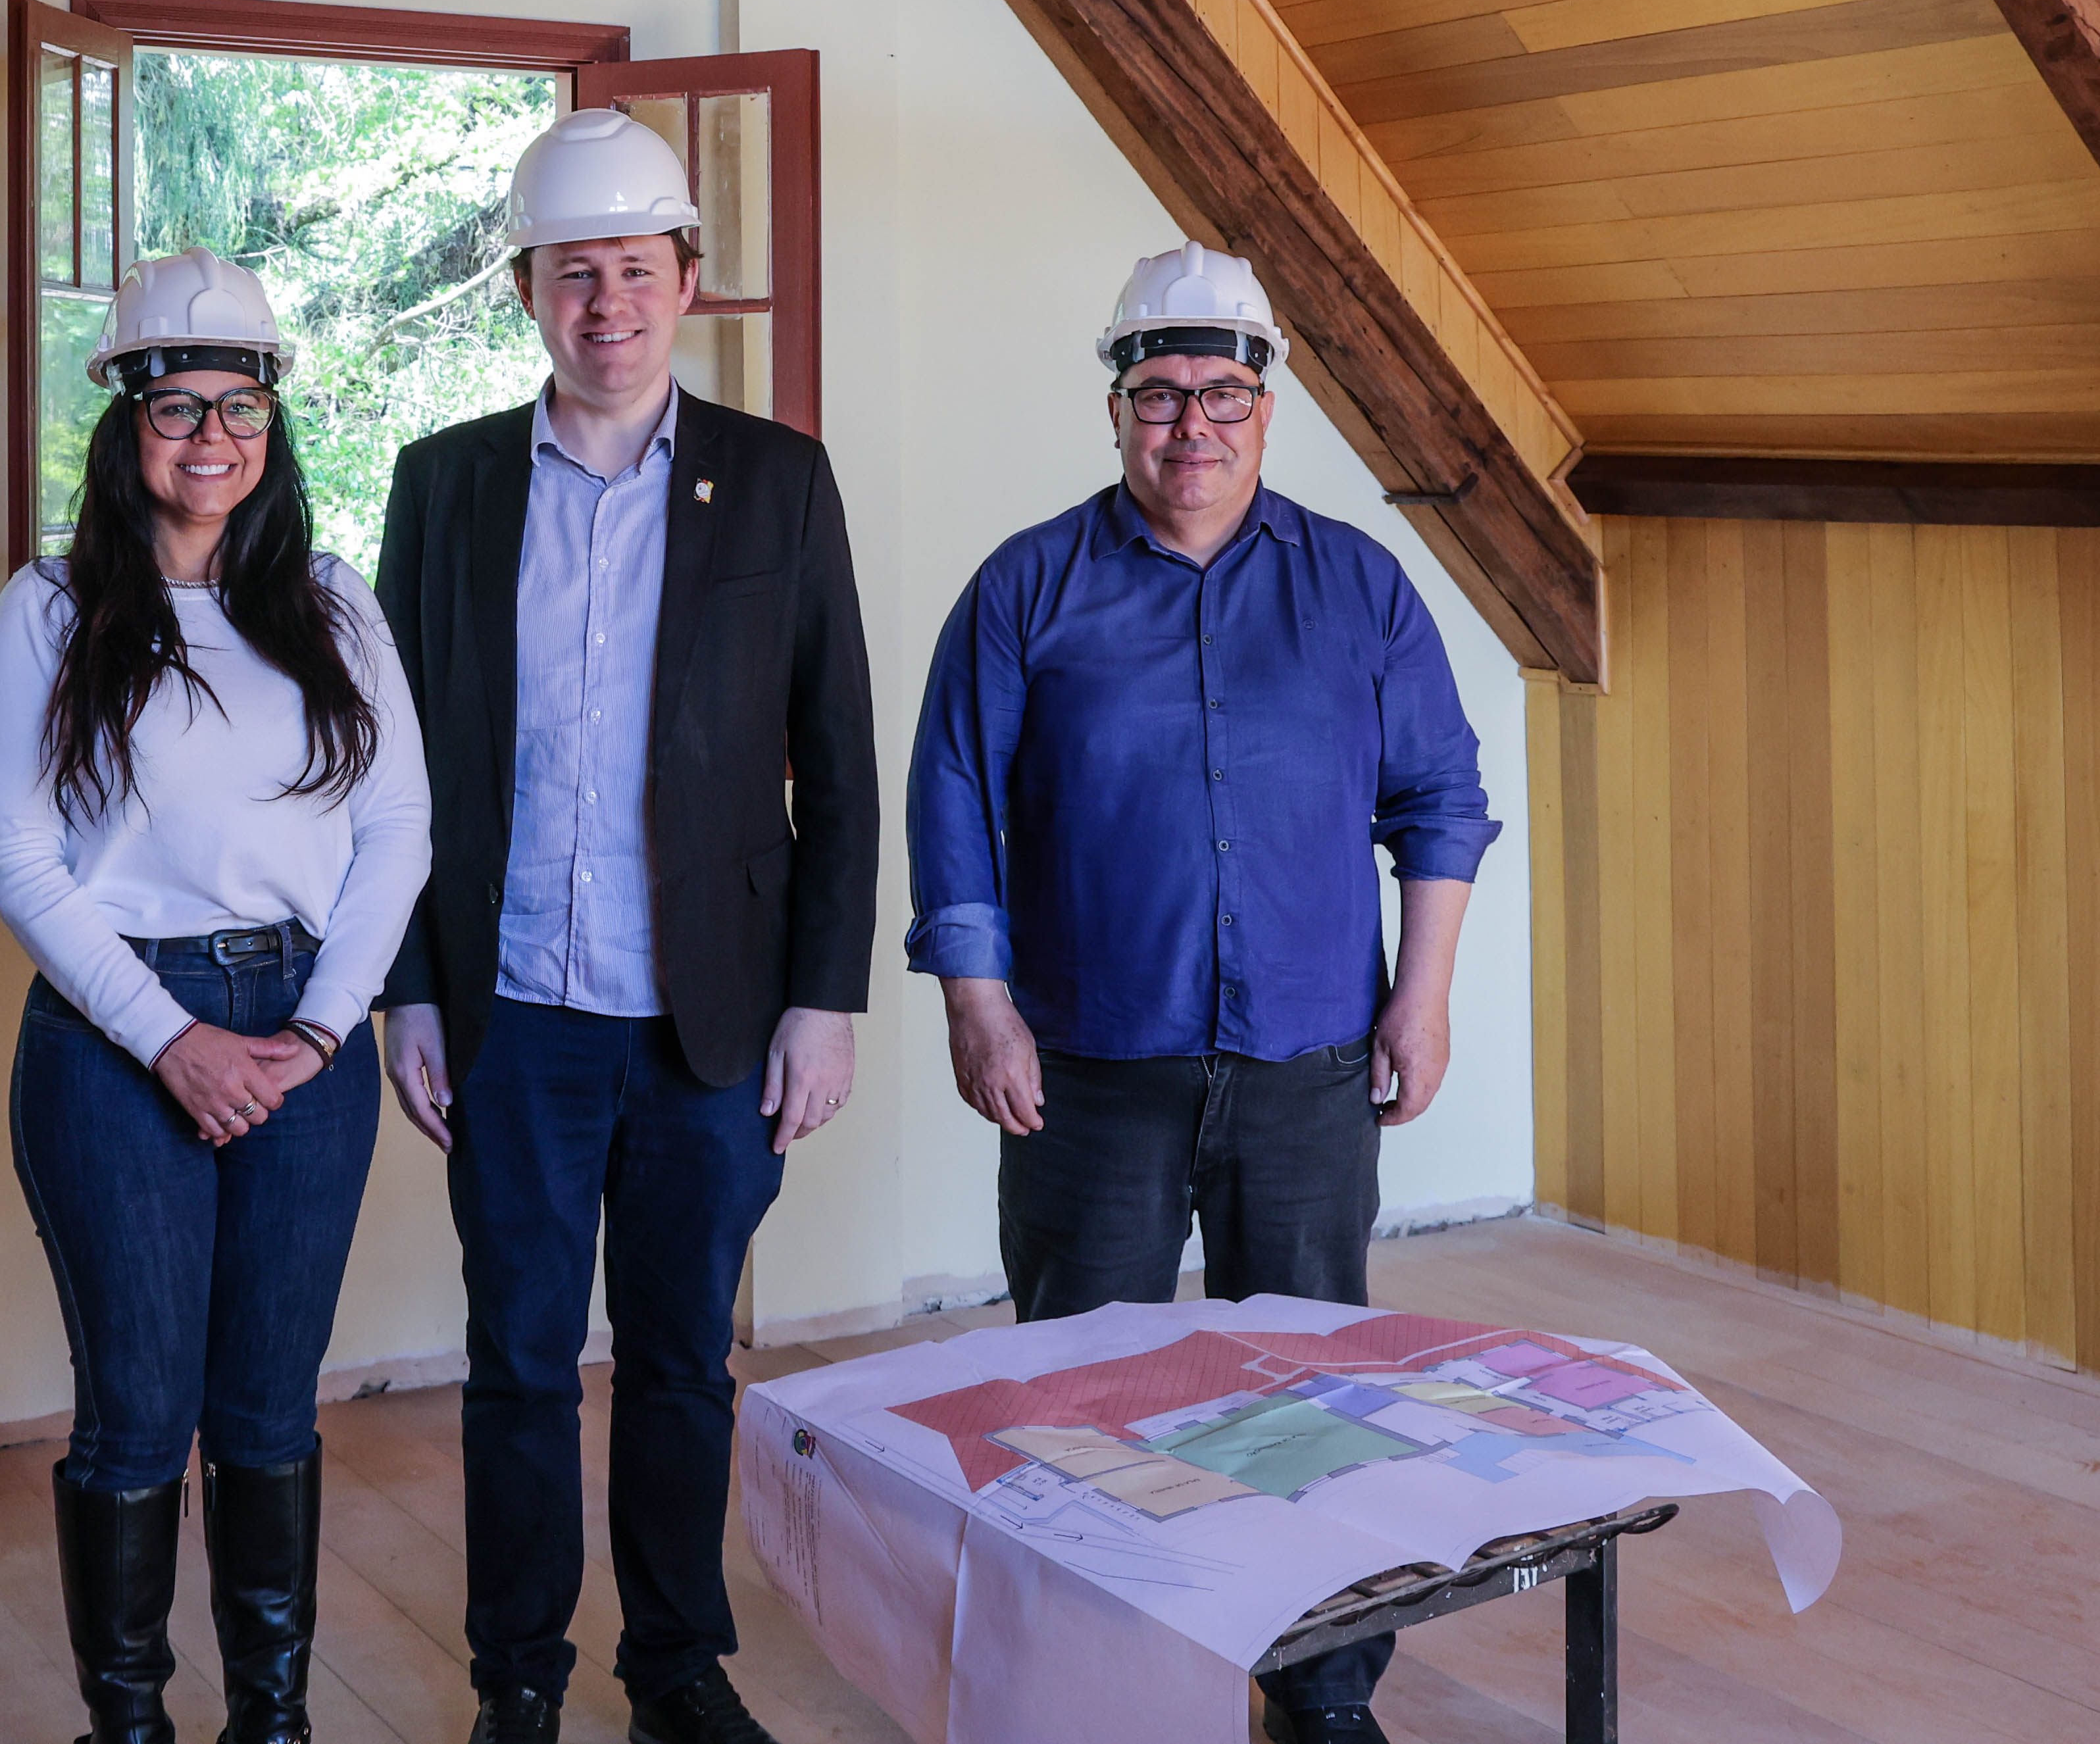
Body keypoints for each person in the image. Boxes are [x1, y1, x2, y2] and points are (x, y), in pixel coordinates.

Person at [903, 241, 1499, 1744]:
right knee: (1080, 1394)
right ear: (1114, 406)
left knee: (1309, 1397)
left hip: (1308, 1064)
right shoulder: (1027, 586)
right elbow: (953, 801)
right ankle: (1098, 1685)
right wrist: (977, 1003)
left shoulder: (1359, 587)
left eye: (1222, 394)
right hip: (1089, 1067)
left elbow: (1441, 800)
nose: (1192, 426)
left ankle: (1320, 1693)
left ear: (1266, 405)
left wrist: (1422, 997)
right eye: (1160, 393)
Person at [376, 109, 879, 1744]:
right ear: (528, 290)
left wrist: (824, 1001)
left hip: (708, 1023)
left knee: (681, 1364)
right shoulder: (444, 484)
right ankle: (517, 1678)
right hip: (510, 1009)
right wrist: (406, 991)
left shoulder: (779, 480)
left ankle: (675, 1669)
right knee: (519, 1362)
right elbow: (391, 770)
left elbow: (839, 758)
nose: (607, 304)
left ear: (687, 282)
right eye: (573, 273)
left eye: (636, 271)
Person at [0, 248, 430, 1744]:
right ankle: (131, 1727)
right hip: (116, 1041)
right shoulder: (49, 609)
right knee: (137, 1412)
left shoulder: (333, 604)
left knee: (269, 1410)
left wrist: (317, 1029)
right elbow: (15, 860)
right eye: (179, 407)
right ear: (128, 424)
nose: (212, 437)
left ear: (272, 423)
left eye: (242, 406)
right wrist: (173, 1041)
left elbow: (398, 831)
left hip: (307, 1031)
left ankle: (271, 1723)